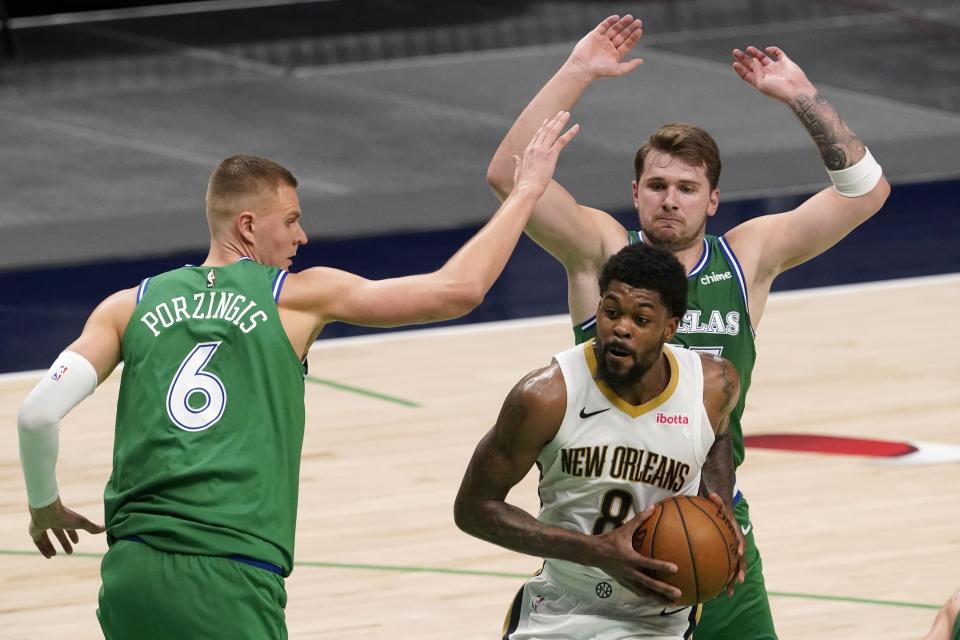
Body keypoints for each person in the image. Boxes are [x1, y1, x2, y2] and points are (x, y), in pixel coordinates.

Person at [16, 111, 579, 639]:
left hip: (129, 575)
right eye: (290, 221)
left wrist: (44, 505)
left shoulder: (127, 306)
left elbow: (37, 412)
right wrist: (527, 190)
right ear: (247, 224)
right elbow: (458, 290)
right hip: (227, 572)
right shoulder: (294, 298)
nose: (300, 237)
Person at [484, 14, 890, 640]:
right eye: (657, 185)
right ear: (637, 192)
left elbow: (865, 192)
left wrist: (803, 98)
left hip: (712, 517)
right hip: (610, 515)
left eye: (686, 187)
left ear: (713, 199)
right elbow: (510, 176)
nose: (670, 199)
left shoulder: (747, 257)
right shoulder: (602, 252)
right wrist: (578, 71)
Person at [455, 243, 745, 639]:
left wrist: (721, 506)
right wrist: (594, 550)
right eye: (611, 313)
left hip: (657, 617)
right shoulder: (546, 395)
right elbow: (473, 508)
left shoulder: (714, 386)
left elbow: (717, 437)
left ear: (669, 328)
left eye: (641, 319)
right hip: (560, 605)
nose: (621, 328)